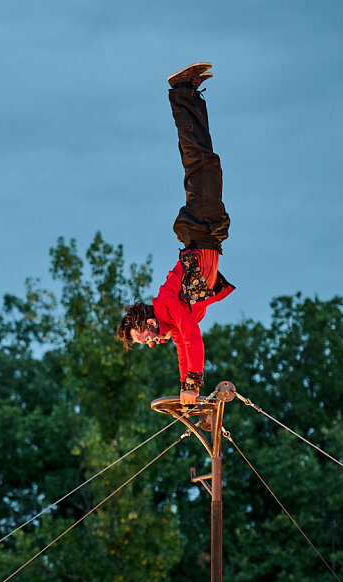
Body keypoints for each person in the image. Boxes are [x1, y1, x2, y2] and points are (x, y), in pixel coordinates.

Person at [115, 62, 235, 405]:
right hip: (208, 233)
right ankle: (190, 93)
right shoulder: (171, 319)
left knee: (199, 162)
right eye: (145, 343)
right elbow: (184, 343)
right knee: (206, 162)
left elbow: (192, 336)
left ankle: (181, 90)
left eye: (143, 336)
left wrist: (192, 386)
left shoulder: (167, 305)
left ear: (145, 319)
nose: (149, 342)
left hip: (198, 229)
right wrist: (188, 390)